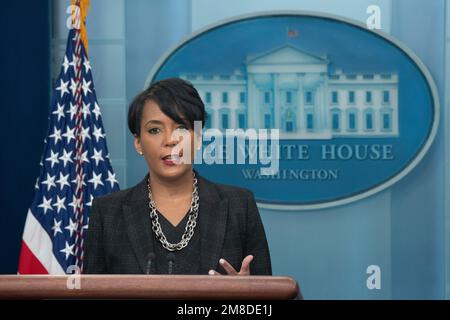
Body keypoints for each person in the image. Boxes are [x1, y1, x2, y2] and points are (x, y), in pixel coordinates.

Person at [83, 78, 272, 275]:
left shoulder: (239, 206)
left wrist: (247, 296)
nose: (170, 141)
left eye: (181, 128)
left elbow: (268, 299)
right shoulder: (107, 213)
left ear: (197, 137)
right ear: (138, 142)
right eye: (154, 130)